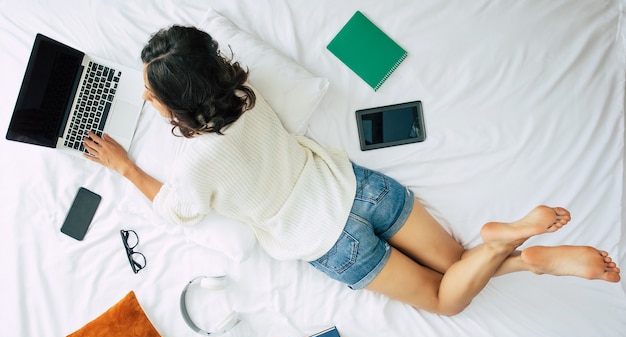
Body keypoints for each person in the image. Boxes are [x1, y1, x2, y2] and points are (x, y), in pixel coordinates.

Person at [83, 25, 620, 315]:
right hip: (360, 189)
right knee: (459, 262)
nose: (147, 99)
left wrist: (125, 166)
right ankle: (521, 252)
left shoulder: (195, 163)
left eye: (152, 96)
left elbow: (176, 210)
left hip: (327, 240)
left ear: (177, 106)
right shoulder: (245, 97)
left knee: (444, 298)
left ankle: (519, 251)